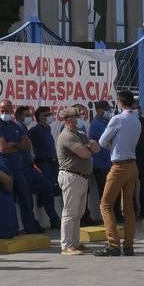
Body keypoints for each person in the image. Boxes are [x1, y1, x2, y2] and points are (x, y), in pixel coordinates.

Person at [93, 90, 142, 257]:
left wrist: (112, 145)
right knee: (128, 208)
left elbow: (101, 141)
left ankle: (113, 244)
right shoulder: (136, 120)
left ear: (120, 103)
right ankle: (129, 245)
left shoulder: (118, 119)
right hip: (132, 165)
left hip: (118, 166)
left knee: (106, 205)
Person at [55, 105, 98, 254]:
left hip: (81, 177)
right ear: (67, 120)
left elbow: (96, 148)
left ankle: (75, 242)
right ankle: (66, 245)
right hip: (71, 176)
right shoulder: (67, 135)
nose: (78, 120)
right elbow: (85, 154)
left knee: (78, 213)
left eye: (78, 118)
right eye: (75, 118)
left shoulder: (79, 134)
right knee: (69, 212)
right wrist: (88, 146)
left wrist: (89, 146)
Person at [0, 99, 37, 234]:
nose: (5, 113)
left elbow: (27, 146)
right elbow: (3, 149)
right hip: (4, 168)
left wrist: (13, 144)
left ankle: (29, 228)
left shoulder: (17, 126)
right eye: (2, 111)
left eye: (8, 111)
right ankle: (12, 229)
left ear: (12, 111)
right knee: (8, 201)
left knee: (25, 199)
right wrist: (18, 145)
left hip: (19, 168)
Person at [29, 106, 61, 228]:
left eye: (49, 114)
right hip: (43, 164)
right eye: (45, 115)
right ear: (39, 118)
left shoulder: (48, 129)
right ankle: (54, 219)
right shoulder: (35, 130)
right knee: (47, 190)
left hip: (52, 163)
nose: (48, 117)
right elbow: (26, 139)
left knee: (54, 190)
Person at [88, 100, 112, 220]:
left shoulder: (107, 122)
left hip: (109, 162)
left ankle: (114, 215)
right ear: (99, 110)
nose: (108, 111)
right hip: (100, 163)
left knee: (112, 191)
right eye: (106, 109)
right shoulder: (96, 124)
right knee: (104, 192)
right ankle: (106, 217)